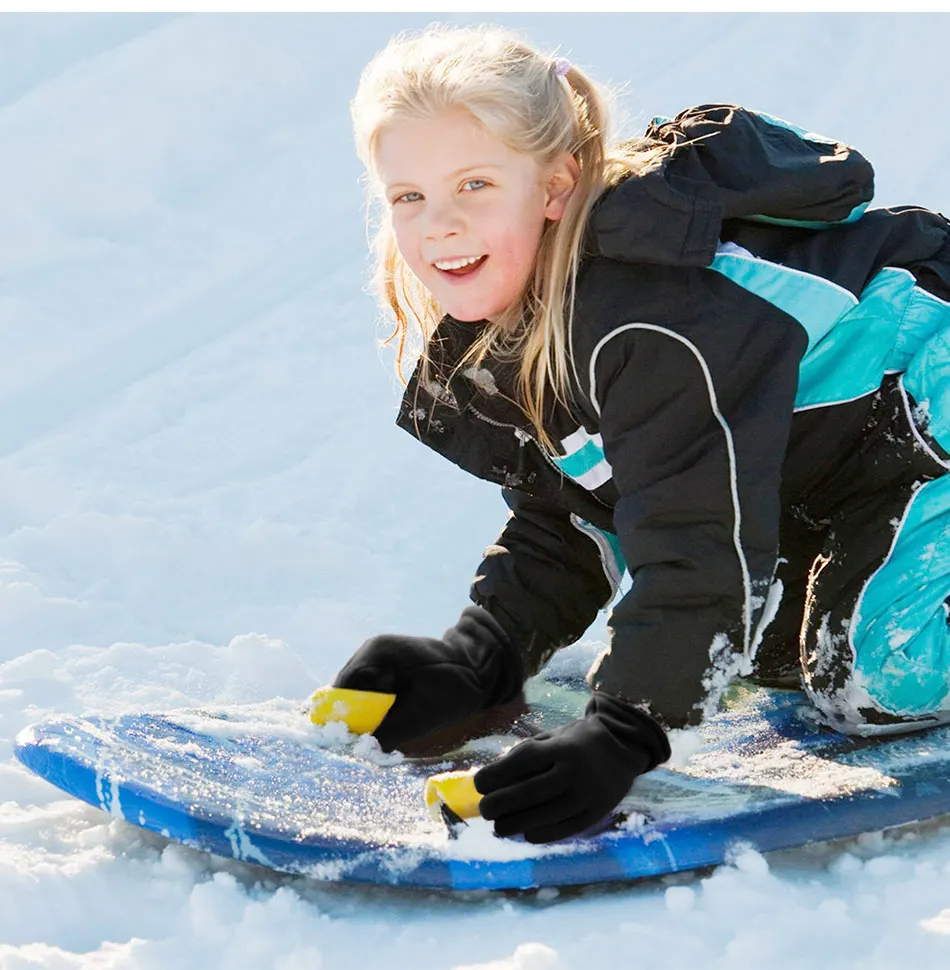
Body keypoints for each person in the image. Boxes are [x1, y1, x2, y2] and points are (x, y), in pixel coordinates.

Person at [333, 22, 950, 845]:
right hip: (858, 453)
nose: (438, 224)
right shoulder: (530, 309)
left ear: (555, 185)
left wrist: (625, 735)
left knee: (875, 679)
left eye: (474, 184)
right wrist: (483, 653)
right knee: (764, 652)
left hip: (929, 391)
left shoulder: (646, 319)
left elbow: (694, 536)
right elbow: (588, 505)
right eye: (408, 196)